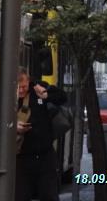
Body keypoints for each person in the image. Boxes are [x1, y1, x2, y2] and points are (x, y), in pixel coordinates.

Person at [15, 68, 67, 201]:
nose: (21, 90)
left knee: (49, 195)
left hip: (45, 155)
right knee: (21, 195)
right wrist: (14, 127)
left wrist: (46, 94)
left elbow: (63, 97)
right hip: (21, 157)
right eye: (18, 87)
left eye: (24, 86)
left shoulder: (37, 88)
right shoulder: (5, 96)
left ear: (28, 81)